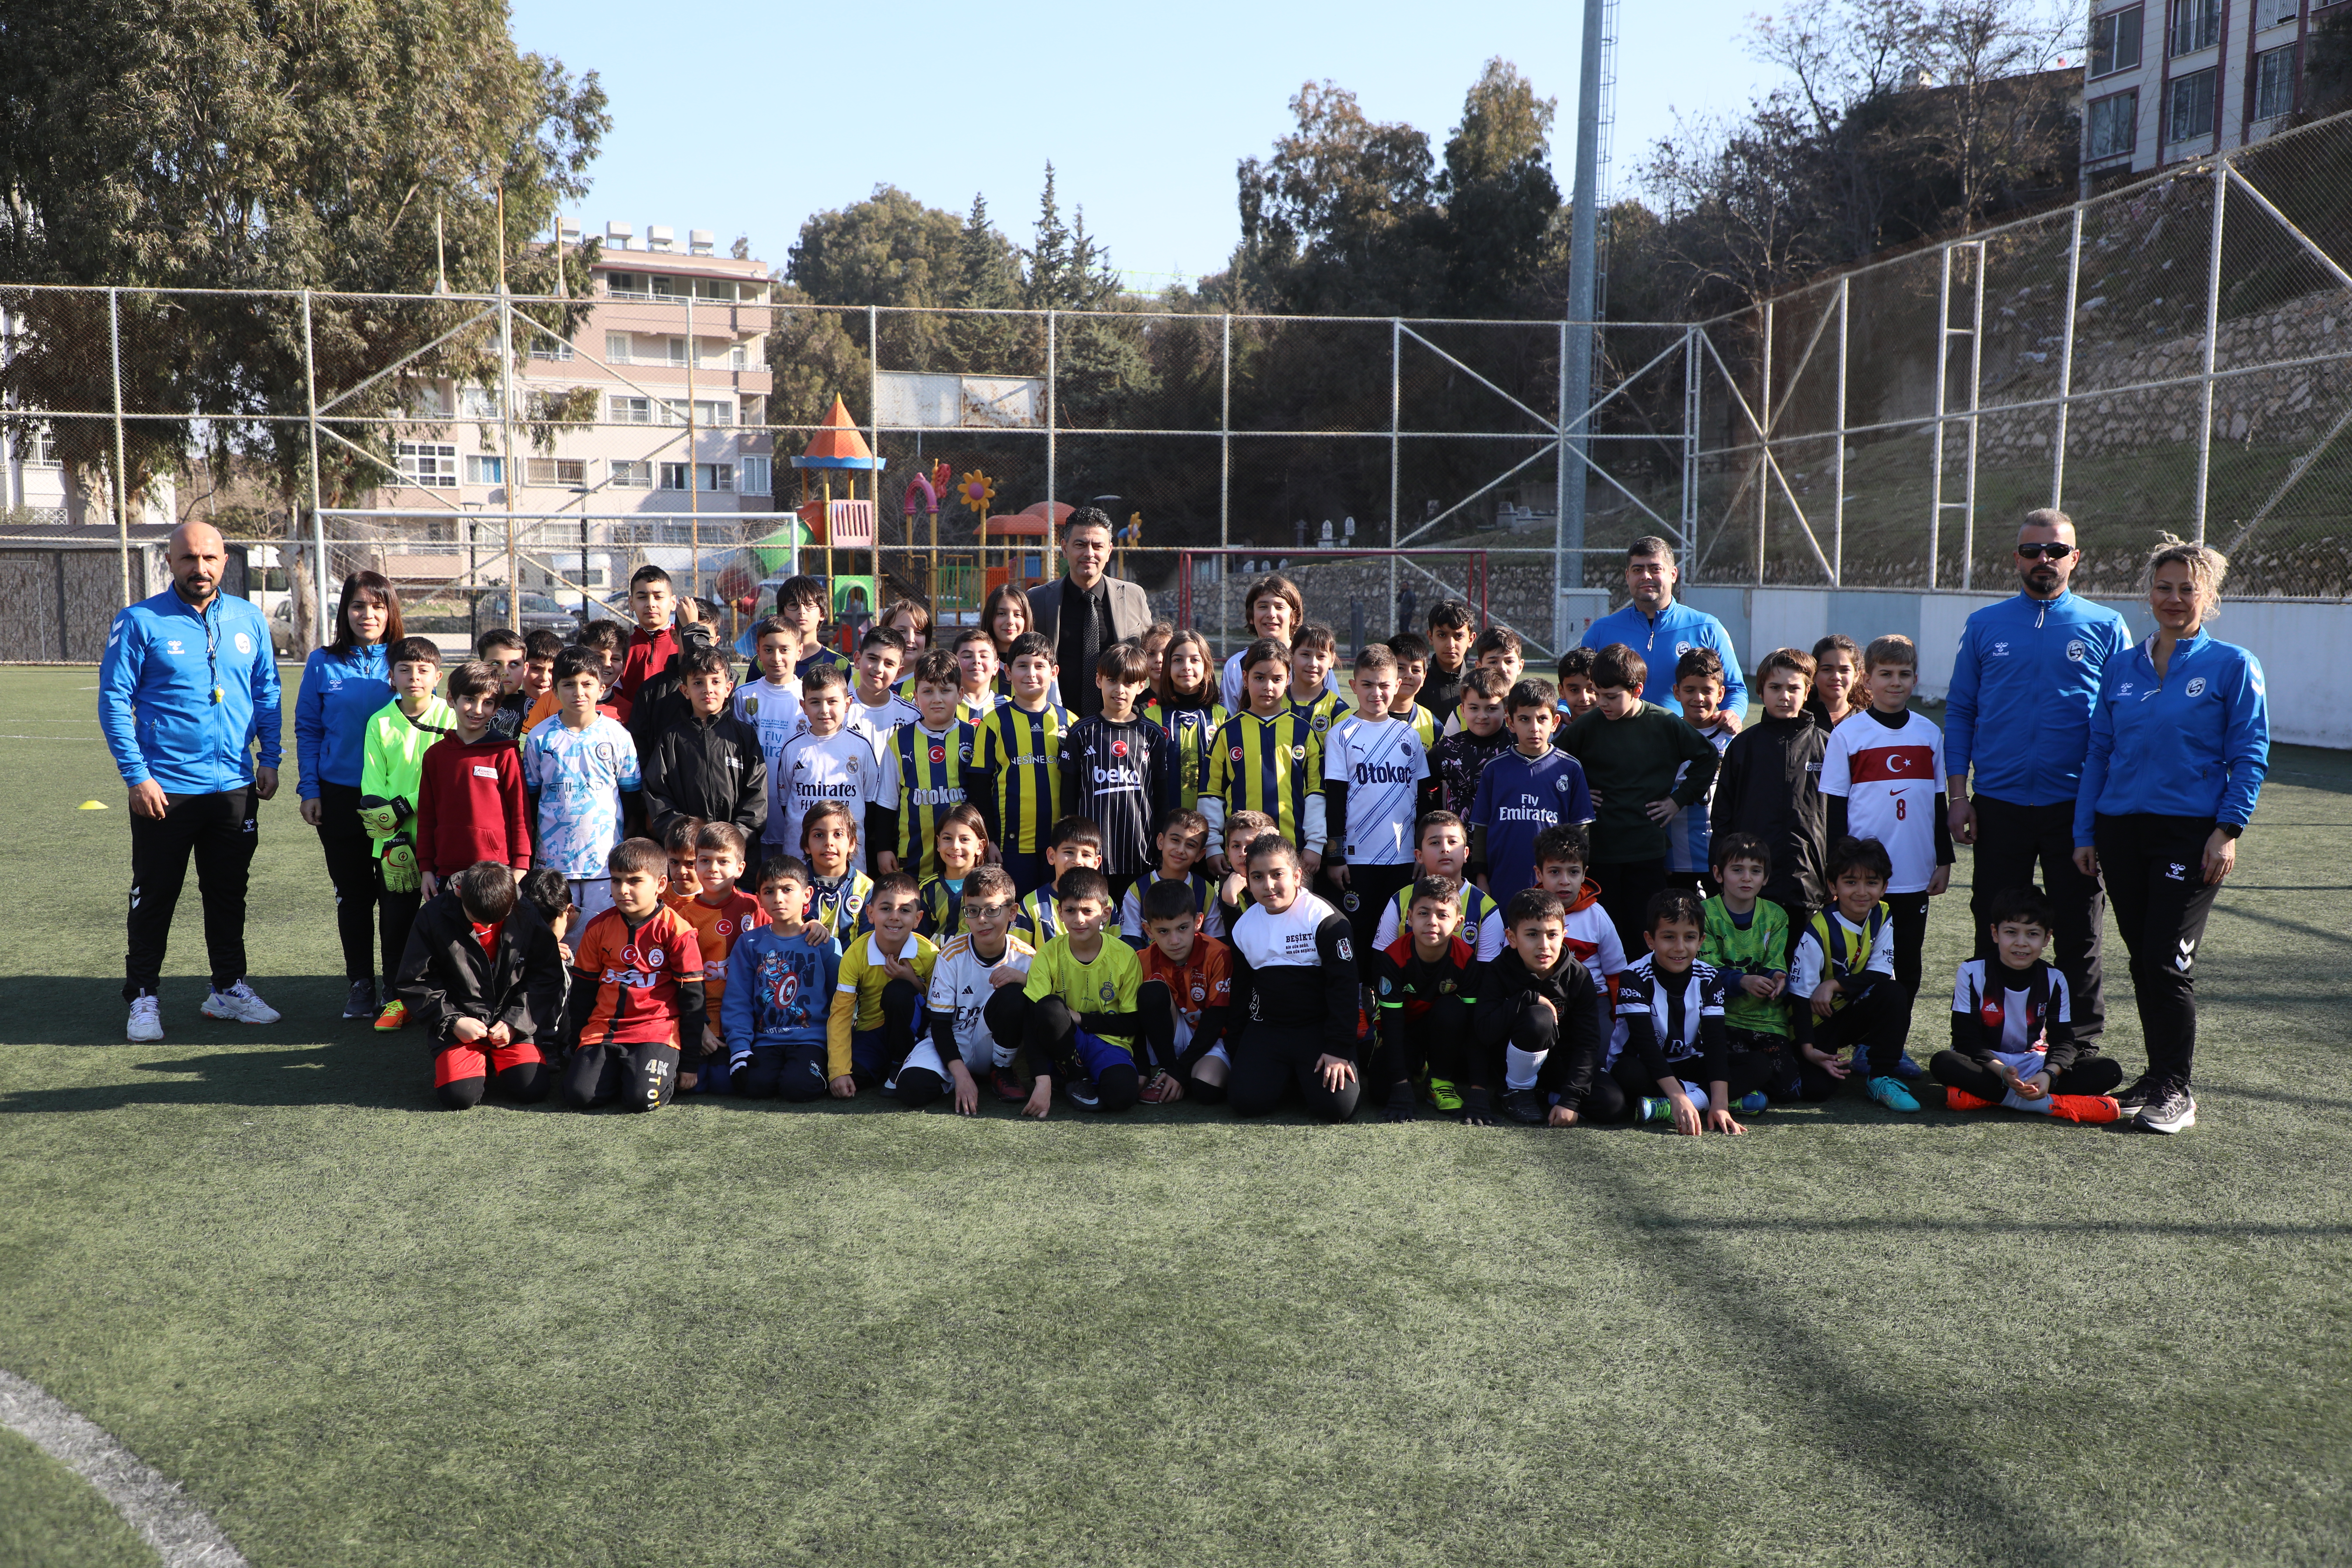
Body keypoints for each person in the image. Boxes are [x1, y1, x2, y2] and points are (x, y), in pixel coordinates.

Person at [2073, 535, 2268, 1135]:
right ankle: (2158, 1078)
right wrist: (2087, 831)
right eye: (2165, 587)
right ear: (2149, 594)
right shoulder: (2122, 668)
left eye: (2189, 589)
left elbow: (2250, 753)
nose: (2175, 598)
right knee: (2144, 960)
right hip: (2120, 829)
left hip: (2190, 835)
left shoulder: (2232, 665)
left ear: (2208, 597)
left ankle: (2178, 1091)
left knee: (2166, 959)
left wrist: (2228, 830)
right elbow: (2099, 753)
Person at [1944, 509, 2133, 1059]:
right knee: (1995, 926)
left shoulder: (2105, 626)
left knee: (2079, 932)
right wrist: (1959, 796)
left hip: (2076, 808)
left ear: (2075, 558)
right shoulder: (1985, 625)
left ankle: (2078, 1048)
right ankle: (1987, 1044)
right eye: (2032, 551)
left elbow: (2122, 721)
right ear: (2016, 559)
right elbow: (1960, 712)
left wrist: (2102, 811)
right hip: (1998, 803)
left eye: (2055, 551)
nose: (2043, 561)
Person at [100, 520, 284, 1042]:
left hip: (234, 786)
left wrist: (269, 756)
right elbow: (115, 700)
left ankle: (228, 989)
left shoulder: (249, 618)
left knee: (228, 893)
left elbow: (267, 690)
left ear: (225, 562)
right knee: (155, 894)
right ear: (170, 562)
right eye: (188, 559)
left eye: (209, 558)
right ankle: (142, 997)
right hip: (166, 788)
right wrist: (138, 777)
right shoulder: (140, 621)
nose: (199, 569)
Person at [1820, 634, 1952, 1042]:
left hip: (1914, 872)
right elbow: (1835, 810)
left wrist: (1944, 859)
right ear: (1867, 678)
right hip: (1864, 878)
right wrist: (1837, 871)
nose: (1895, 683)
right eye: (1886, 674)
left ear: (1915, 679)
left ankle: (1892, 1044)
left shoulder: (1930, 733)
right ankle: (1861, 1042)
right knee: (1861, 965)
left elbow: (1938, 802)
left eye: (1904, 675)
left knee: (1908, 963)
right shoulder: (1849, 734)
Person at [1557, 645, 1720, 954]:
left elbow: (1707, 757)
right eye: (1597, 693)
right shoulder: (1587, 726)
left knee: (1644, 931)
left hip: (1647, 850)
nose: (1600, 702)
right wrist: (1578, 794)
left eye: (1610, 696)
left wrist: (1678, 800)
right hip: (1601, 850)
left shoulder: (1664, 723)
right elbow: (1556, 765)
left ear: (1637, 690)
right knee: (1605, 932)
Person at [293, 569, 397, 1021]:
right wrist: (311, 788)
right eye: (359, 606)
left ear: (391, 611)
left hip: (398, 802)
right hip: (340, 796)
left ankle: (398, 985)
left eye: (377, 606)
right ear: (345, 612)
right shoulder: (322, 661)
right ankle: (360, 983)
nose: (368, 614)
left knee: (398, 893)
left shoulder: (406, 658)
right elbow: (309, 729)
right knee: (354, 896)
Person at [1933, 886, 2123, 1124]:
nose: (2021, 943)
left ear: (2047, 938)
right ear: (1995, 933)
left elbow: (2064, 1040)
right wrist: (2002, 1071)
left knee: (2109, 1071)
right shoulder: (1972, 972)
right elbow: (1965, 1039)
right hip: (1988, 1064)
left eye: (2032, 934)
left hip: (2034, 1063)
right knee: (1943, 1063)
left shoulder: (2054, 979)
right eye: (2011, 932)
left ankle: (1986, 1097)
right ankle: (2051, 1105)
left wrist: (2048, 1075)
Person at [395, 860, 564, 1110]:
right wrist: (453, 1021)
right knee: (459, 1098)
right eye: (478, 919)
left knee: (533, 1089)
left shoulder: (525, 912)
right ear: (459, 892)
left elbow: (546, 976)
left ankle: (494, 1060)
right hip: (459, 1023)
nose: (486, 927)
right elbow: (416, 980)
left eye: (496, 921)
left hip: (510, 1023)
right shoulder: (432, 916)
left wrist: (514, 1023)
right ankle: (476, 1061)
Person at [558, 838, 706, 1112]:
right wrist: (578, 1045)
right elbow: (583, 993)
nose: (623, 890)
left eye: (635, 881)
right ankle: (612, 1072)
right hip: (604, 1030)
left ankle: (646, 1074)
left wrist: (689, 1065)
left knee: (642, 1099)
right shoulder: (598, 927)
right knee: (579, 1097)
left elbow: (693, 1002)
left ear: (661, 885)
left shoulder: (678, 930)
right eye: (616, 881)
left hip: (656, 1031)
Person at [1224, 835, 1364, 1120]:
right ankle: (1288, 1076)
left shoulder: (1326, 920)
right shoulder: (1243, 928)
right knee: (1245, 1103)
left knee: (1336, 1110)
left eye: (1278, 875)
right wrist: (1240, 1051)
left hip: (1319, 1029)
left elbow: (1345, 987)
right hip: (1268, 1029)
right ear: (1248, 882)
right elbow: (1241, 993)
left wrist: (1338, 1049)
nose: (1269, 885)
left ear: (1298, 876)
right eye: (1258, 877)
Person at [357, 637, 456, 1031]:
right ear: (391, 676)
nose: (413, 677)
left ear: (438, 676)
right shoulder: (380, 722)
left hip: (445, 841)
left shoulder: (452, 718)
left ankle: (451, 995)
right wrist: (392, 832)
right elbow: (372, 792)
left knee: (448, 923)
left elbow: (450, 777)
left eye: (422, 670)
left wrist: (404, 805)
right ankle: (396, 996)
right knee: (396, 925)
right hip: (396, 845)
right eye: (404, 669)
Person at [1789, 835, 1918, 1113]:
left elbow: (1882, 974)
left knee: (1894, 992)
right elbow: (1799, 996)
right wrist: (1808, 1049)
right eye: (1851, 882)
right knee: (1817, 1091)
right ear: (1833, 886)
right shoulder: (1818, 929)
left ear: (1884, 888)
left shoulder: (1882, 914)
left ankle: (1881, 1077)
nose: (1862, 892)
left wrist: (1835, 985)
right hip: (1818, 1021)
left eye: (1871, 883)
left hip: (1851, 1011)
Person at [1322, 644, 1429, 973]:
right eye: (1367, 685)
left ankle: (1390, 1003)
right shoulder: (1341, 735)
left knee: (1396, 935)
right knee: (1359, 933)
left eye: (1384, 685)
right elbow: (1335, 801)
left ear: (1397, 686)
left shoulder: (1409, 736)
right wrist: (1337, 856)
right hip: (1357, 859)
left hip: (1402, 860)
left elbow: (1424, 799)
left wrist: (1420, 853)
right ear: (1353, 686)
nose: (1376, 693)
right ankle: (1358, 1004)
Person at [1018, 867, 1154, 1115]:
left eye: (1088, 911)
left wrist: (1142, 1068)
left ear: (1105, 914)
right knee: (1048, 1007)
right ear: (1060, 913)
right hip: (1065, 1042)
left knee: (1122, 1096)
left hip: (1109, 1044)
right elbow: (1033, 1019)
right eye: (1070, 911)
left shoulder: (1125, 956)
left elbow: (1133, 1023)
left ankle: (1072, 1078)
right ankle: (1075, 1076)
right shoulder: (1048, 954)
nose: (1079, 919)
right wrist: (1040, 1079)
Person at [1709, 647, 1829, 928]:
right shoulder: (1743, 746)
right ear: (1761, 691)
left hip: (1810, 885)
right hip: (1752, 886)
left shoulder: (1828, 746)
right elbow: (1723, 817)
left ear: (1808, 691)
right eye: (1775, 687)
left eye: (1793, 688)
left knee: (1805, 969)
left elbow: (1840, 816)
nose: (1785, 696)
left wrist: (1833, 873)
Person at [1613, 888, 1749, 1135]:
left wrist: (1720, 1105)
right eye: (1669, 937)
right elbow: (1645, 1045)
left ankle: (1685, 1105)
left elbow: (1715, 1041)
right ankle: (1694, 1099)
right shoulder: (1634, 977)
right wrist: (1678, 1095)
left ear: (1701, 940)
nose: (1679, 947)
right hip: (1645, 1064)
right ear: (1650, 940)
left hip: (1688, 1062)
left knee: (1759, 1064)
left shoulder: (1709, 977)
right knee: (1626, 1074)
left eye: (1689, 937)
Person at [522, 648, 644, 920]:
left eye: (587, 684)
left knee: (601, 937)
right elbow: (531, 797)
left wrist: (624, 843)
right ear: (554, 691)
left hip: (604, 865)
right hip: (553, 867)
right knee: (555, 940)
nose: (579, 692)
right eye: (569, 685)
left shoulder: (617, 736)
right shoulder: (541, 737)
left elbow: (632, 795)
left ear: (601, 688)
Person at [905, 866, 1035, 1111]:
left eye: (992, 910)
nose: (982, 919)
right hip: (955, 1040)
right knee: (913, 1088)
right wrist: (962, 1075)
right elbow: (941, 1025)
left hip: (995, 1046)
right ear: (965, 915)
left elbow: (1041, 1013)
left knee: (1014, 993)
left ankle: (1002, 1070)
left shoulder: (1027, 958)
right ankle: (960, 1077)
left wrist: (1023, 979)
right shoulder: (951, 955)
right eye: (973, 911)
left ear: (1013, 912)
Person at [1476, 887, 1609, 1126]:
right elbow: (1484, 1031)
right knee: (1539, 1018)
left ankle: (1545, 1096)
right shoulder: (1498, 971)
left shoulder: (1578, 976)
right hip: (1513, 1061)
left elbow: (1587, 1042)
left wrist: (1570, 1100)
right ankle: (1517, 1093)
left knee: (1610, 1104)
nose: (1544, 945)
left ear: (1564, 935)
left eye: (1552, 935)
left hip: (1560, 1063)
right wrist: (1526, 999)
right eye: (1532, 935)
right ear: (1512, 938)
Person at [1580, 536, 1746, 723]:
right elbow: (1576, 684)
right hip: (1616, 743)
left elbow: (1735, 689)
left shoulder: (1707, 628)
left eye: (1655, 569)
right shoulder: (1601, 630)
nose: (1646, 576)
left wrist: (1733, 713)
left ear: (1674, 574)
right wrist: (1563, 710)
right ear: (1628, 576)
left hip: (1681, 745)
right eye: (1638, 569)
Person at [1058, 642, 1174, 908]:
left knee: (1136, 920)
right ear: (1099, 680)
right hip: (1093, 854)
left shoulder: (1151, 734)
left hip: (1140, 851)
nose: (1119, 690)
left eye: (1128, 683)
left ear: (1141, 686)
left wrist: (1160, 842)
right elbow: (1069, 794)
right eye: (1112, 680)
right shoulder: (1082, 732)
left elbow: (1161, 794)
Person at [723, 854, 842, 1101]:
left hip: (812, 1040)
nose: (778, 898)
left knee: (799, 1088)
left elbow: (841, 1000)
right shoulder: (749, 943)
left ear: (807, 895)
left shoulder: (824, 943)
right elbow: (738, 1000)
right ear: (759, 898)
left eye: (788, 889)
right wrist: (740, 1050)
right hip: (765, 1041)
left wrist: (839, 1057)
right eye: (769, 891)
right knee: (754, 1088)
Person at [1202, 638, 1325, 876]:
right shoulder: (1228, 733)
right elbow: (1211, 795)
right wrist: (1213, 847)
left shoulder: (1304, 732)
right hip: (1241, 858)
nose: (1268, 686)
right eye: (1260, 678)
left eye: (1277, 679)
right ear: (1246, 679)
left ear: (1288, 680)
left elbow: (1316, 793)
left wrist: (1315, 843)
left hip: (1293, 854)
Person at [1469, 677, 1594, 909]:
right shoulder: (1495, 769)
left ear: (1555, 722)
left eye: (1542, 719)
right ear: (1511, 723)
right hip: (1502, 881)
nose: (1534, 728)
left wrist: (1575, 879)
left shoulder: (1569, 768)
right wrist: (1482, 879)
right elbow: (1482, 829)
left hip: (1555, 886)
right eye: (1525, 719)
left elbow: (1581, 830)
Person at [413, 660, 531, 899]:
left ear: (496, 708)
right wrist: (426, 868)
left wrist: (521, 866)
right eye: (469, 699)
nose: (478, 710)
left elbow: (520, 812)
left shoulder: (505, 753)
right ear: (451, 700)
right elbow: (427, 815)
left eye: (487, 703)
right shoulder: (435, 756)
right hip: (446, 870)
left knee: (493, 936)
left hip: (497, 870)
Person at [1371, 876, 1483, 1122]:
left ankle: (1440, 1080)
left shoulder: (1466, 959)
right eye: (1424, 913)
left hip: (1446, 1033)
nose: (1432, 922)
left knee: (1451, 1008)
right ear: (1410, 917)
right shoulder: (1393, 958)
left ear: (1458, 923)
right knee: (1380, 1092)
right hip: (1405, 1031)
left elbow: (1475, 1027)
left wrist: (1479, 1091)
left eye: (1443, 915)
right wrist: (1400, 1085)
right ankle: (1419, 1066)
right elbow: (1392, 1024)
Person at [1026, 508, 1153, 720]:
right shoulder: (1038, 600)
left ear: (1110, 550)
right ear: (1065, 549)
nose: (1090, 553)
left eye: (1098, 546)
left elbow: (1150, 657)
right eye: (1081, 545)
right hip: (1053, 724)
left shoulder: (1134, 597)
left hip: (1118, 726)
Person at [670, 822, 768, 1095]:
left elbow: (787, 931)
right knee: (697, 1086)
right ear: (696, 865)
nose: (713, 868)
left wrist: (811, 926)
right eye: (705, 861)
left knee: (727, 1084)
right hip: (702, 1020)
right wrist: (699, 1028)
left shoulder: (755, 907)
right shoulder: (683, 917)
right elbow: (676, 981)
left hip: (749, 1017)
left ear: (740, 868)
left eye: (723, 861)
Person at [971, 631, 1070, 895]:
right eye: (1022, 666)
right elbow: (980, 789)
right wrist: (990, 839)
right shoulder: (994, 723)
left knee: (1058, 913)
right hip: (1009, 848)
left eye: (1040, 666)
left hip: (1059, 847)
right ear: (1007, 671)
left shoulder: (1069, 722)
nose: (1031, 674)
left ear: (1054, 672)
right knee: (1015, 912)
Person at [1700, 833, 1797, 1103]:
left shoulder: (1777, 916)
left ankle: (1742, 1094)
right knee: (1721, 1066)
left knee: (1790, 1091)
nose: (1747, 878)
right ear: (1718, 874)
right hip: (1719, 1018)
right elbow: (1705, 972)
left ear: (1766, 878)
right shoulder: (1703, 914)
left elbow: (1775, 964)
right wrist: (1743, 982)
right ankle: (1735, 1094)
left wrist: (1778, 979)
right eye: (1737, 870)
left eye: (1756, 871)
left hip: (1766, 1021)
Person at [640, 645, 766, 847]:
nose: (708, 690)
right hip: (688, 853)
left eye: (716, 682)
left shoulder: (744, 736)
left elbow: (757, 796)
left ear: (728, 688)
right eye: (698, 683)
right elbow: (658, 793)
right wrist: (686, 837)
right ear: (685, 691)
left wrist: (736, 839)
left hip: (735, 853)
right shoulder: (671, 739)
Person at [825, 872, 936, 1097]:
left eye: (905, 910)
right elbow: (842, 1013)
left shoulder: (930, 953)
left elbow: (939, 1003)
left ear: (918, 918)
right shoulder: (856, 954)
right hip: (872, 1030)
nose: (895, 917)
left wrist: (913, 981)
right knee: (855, 1077)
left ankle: (899, 1063)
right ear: (871, 913)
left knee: (899, 991)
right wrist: (839, 1071)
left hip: (914, 1031)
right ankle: (884, 1064)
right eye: (886, 909)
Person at [871, 649, 977, 880]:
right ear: (917, 697)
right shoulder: (900, 741)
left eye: (945, 691)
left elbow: (983, 798)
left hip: (964, 860)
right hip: (914, 857)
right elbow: (887, 801)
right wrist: (883, 847)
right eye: (928, 692)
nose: (937, 699)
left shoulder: (975, 737)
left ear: (960, 694)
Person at [776, 663, 885, 873]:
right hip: (799, 857)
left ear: (847, 704)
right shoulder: (793, 748)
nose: (824, 710)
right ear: (804, 706)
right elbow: (786, 801)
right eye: (815, 702)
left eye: (832, 702)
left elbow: (870, 802)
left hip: (849, 858)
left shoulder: (861, 747)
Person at [1136, 877, 1234, 1105]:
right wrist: (1173, 1068)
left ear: (1198, 921)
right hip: (1171, 1035)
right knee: (1151, 994)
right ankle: (1167, 1068)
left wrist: (1182, 1070)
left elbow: (1216, 1020)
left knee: (1205, 1090)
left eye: (1183, 928)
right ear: (1148, 930)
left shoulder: (1219, 955)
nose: (1175, 940)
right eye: (1163, 931)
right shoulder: (1140, 960)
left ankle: (1178, 1075)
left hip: (1211, 1038)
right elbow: (1135, 1020)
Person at [1527, 824, 1627, 1043]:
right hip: (1541, 998)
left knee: (1601, 1054)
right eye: (1555, 872)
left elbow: (1616, 975)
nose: (1565, 881)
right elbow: (1513, 968)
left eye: (1573, 872)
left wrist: (1617, 1020)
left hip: (1594, 999)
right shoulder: (1526, 913)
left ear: (1584, 874)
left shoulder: (1598, 917)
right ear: (1539, 873)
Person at [1665, 648, 1736, 891]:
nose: (1698, 698)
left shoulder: (1733, 740)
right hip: (1674, 857)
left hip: (1719, 856)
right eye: (1690, 690)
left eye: (1707, 690)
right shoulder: (1665, 737)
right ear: (1677, 692)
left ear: (1721, 694)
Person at [1218, 573, 1327, 712]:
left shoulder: (1316, 661)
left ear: (1293, 616)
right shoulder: (1235, 665)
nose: (1271, 614)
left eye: (1280, 607)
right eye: (1263, 607)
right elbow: (1230, 719)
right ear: (1252, 615)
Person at [1118, 807, 1221, 943]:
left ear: (1199, 855)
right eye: (1175, 840)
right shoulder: (1138, 889)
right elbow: (1130, 941)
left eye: (1190, 845)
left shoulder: (1205, 890)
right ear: (1161, 841)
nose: (1180, 850)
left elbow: (1215, 941)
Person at [1153, 627, 1227, 813]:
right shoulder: (1150, 718)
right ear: (1168, 667)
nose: (1186, 667)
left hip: (1212, 826)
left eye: (1195, 660)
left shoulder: (1222, 717)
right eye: (1178, 660)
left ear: (1207, 667)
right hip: (1163, 823)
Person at [1428, 667, 1514, 819]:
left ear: (1506, 710)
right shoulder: (1448, 749)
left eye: (1491, 709)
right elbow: (1423, 788)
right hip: (1459, 841)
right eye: (1474, 708)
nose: (1482, 716)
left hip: (1504, 839)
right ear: (1463, 710)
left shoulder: (1516, 747)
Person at [734, 615, 807, 772]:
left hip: (797, 793)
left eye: (785, 650)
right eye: (769, 650)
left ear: (799, 651)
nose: (777, 658)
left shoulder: (809, 696)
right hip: (753, 792)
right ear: (759, 652)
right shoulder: (743, 696)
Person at [1018, 816, 1105, 945]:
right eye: (1069, 852)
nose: (1077, 861)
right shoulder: (1031, 905)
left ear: (1096, 863)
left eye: (1086, 855)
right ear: (1052, 856)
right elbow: (1017, 955)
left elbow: (1116, 949)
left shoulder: (1106, 903)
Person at [799, 801, 874, 948]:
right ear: (806, 845)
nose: (829, 842)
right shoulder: (793, 884)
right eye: (819, 835)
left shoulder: (867, 889)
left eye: (838, 834)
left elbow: (867, 943)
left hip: (851, 969)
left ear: (852, 843)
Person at [915, 803, 991, 940]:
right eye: (948, 839)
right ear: (939, 843)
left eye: (965, 840)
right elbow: (919, 940)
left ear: (980, 846)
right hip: (936, 961)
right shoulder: (927, 890)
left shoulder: (992, 888)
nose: (955, 846)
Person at [846, 627, 918, 740]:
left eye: (889, 664)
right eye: (873, 659)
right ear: (858, 660)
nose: (879, 669)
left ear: (898, 673)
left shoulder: (913, 716)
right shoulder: (838, 711)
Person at [1419, 600, 1476, 721]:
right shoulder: (1417, 686)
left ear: (1471, 639)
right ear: (1431, 637)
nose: (1451, 645)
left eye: (1459, 636)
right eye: (1442, 635)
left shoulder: (1479, 686)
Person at [1285, 624, 1345, 736]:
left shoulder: (1339, 710)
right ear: (1292, 656)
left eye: (1321, 656)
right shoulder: (1275, 701)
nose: (1313, 664)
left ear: (1332, 660)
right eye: (1305, 655)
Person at [949, 626, 1009, 726]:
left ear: (996, 667)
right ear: (954, 664)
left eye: (984, 656)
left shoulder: (1009, 706)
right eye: (967, 656)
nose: (977, 661)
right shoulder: (945, 705)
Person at [1805, 634, 1861, 730]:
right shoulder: (1800, 718)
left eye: (1844, 670)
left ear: (1857, 676)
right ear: (1814, 674)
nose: (1836, 677)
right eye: (1827, 670)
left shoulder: (1866, 722)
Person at [1554, 646, 1600, 726]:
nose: (1584, 698)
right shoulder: (1553, 732)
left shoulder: (1616, 729)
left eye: (1591, 689)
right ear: (1562, 691)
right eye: (1575, 690)